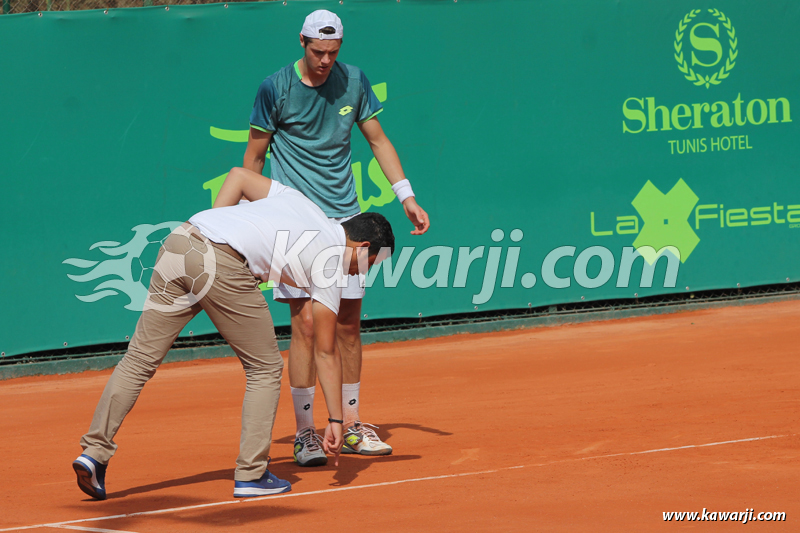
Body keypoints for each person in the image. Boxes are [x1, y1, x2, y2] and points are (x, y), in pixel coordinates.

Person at [72, 167, 395, 500]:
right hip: (222, 262)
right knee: (265, 368)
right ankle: (252, 474)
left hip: (181, 240)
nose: (364, 272)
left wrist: (215, 228)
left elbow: (239, 176)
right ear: (363, 246)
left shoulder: (301, 202)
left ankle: (94, 452)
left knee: (139, 359)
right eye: (371, 263)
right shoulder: (331, 263)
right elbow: (325, 352)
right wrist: (335, 419)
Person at [243, 9, 430, 467]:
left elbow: (378, 140)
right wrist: (251, 228)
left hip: (346, 224)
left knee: (347, 323)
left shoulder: (355, 80)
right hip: (292, 223)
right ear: (302, 42)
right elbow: (254, 157)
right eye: (317, 51)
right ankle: (306, 433)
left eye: (333, 52)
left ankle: (349, 424)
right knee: (305, 325)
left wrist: (405, 195)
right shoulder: (275, 88)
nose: (325, 61)